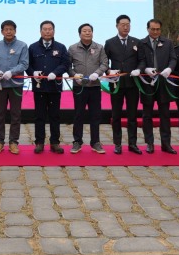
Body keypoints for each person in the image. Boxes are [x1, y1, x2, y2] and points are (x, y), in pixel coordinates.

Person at [103, 15, 146, 154]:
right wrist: (109, 71)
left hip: (133, 83)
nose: (126, 27)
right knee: (116, 115)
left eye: (128, 24)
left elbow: (142, 60)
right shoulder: (110, 42)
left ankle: (132, 144)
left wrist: (138, 70)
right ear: (117, 26)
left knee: (132, 115)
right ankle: (117, 144)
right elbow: (104, 62)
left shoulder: (136, 42)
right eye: (123, 24)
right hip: (116, 84)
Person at [28, 20, 71, 154]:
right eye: (45, 29)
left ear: (54, 31)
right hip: (39, 87)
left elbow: (65, 64)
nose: (47, 31)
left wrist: (55, 72)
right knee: (39, 116)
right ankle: (39, 142)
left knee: (55, 116)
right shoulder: (33, 47)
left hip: (54, 87)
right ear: (40, 31)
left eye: (50, 29)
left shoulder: (61, 47)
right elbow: (27, 65)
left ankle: (55, 142)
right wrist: (32, 73)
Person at [67, 23, 109, 154]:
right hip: (79, 87)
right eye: (84, 31)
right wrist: (74, 76)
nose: (87, 33)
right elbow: (67, 66)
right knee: (78, 115)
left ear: (92, 33)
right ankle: (77, 142)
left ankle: (95, 142)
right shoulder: (73, 48)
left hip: (95, 86)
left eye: (89, 31)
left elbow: (105, 63)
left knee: (95, 115)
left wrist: (97, 73)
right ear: (79, 33)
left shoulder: (99, 47)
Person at [138, 19, 177, 154]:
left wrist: (169, 69)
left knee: (165, 114)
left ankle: (166, 144)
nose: (155, 32)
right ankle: (149, 143)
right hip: (147, 83)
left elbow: (173, 59)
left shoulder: (168, 43)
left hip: (163, 83)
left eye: (158, 29)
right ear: (147, 29)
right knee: (147, 115)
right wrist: (144, 69)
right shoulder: (141, 43)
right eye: (152, 29)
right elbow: (140, 60)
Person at [0, 20, 29, 154]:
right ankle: (0, 141)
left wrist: (11, 72)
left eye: (11, 29)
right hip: (0, 85)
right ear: (2, 31)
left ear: (15, 31)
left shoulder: (22, 46)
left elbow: (24, 64)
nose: (8, 31)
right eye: (6, 29)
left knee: (15, 114)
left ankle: (13, 142)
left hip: (15, 85)